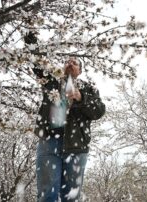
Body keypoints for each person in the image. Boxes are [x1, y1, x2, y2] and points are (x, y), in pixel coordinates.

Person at [25, 33, 106, 201]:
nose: (70, 64)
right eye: (67, 61)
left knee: (71, 195)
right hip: (49, 141)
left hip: (76, 145)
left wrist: (80, 97)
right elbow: (38, 66)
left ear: (80, 70)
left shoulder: (89, 89)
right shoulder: (51, 82)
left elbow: (98, 111)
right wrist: (31, 41)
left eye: (74, 62)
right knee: (48, 194)